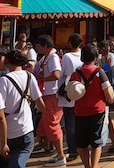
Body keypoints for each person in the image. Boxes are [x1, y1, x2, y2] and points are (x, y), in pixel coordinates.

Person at [0, 50, 45, 168]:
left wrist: (3, 143)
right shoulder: (29, 76)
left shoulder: (4, 81)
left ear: (7, 62)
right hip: (27, 131)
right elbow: (39, 102)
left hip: (8, 133)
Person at [69, 44, 114, 168]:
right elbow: (108, 93)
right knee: (96, 141)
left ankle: (87, 166)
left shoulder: (75, 74)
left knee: (81, 142)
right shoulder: (99, 72)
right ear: (95, 57)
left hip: (80, 111)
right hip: (97, 110)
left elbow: (69, 92)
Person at [34, 34, 67, 167]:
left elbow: (56, 74)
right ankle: (57, 152)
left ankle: (61, 155)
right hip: (48, 94)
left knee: (52, 124)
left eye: (39, 46)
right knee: (47, 124)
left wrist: (42, 78)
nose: (37, 49)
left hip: (53, 94)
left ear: (46, 46)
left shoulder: (52, 57)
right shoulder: (45, 57)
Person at [58, 33, 83, 163]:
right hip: (81, 92)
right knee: (79, 122)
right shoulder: (83, 55)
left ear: (69, 43)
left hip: (70, 92)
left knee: (70, 123)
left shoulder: (67, 56)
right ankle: (81, 147)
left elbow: (64, 73)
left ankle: (73, 150)